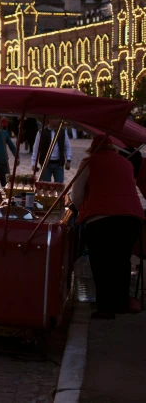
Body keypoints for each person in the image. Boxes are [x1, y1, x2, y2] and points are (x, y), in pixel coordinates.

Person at [71, 136, 144, 318]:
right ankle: (120, 304)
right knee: (121, 261)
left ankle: (106, 308)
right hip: (131, 218)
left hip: (101, 219)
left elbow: (76, 195)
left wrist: (85, 210)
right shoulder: (125, 163)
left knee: (102, 263)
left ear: (92, 148)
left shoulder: (89, 162)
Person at [32, 119, 72, 183]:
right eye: (56, 119)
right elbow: (36, 149)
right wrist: (34, 163)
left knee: (59, 185)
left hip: (59, 164)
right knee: (45, 186)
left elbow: (67, 147)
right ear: (49, 120)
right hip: (45, 164)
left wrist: (68, 160)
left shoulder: (62, 132)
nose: (58, 120)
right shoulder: (41, 132)